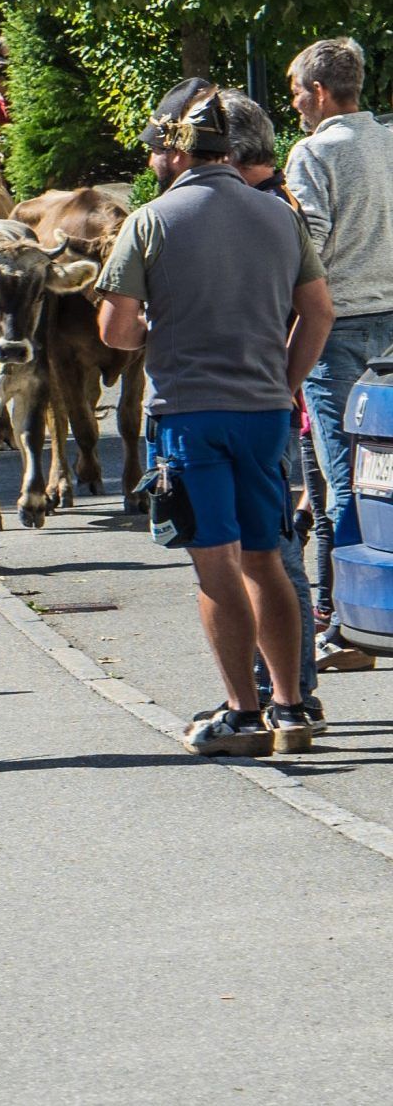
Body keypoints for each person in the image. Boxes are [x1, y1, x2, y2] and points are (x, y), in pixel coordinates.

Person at [96, 79, 334, 757]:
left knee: (216, 569)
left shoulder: (153, 220)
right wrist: (285, 382)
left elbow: (116, 331)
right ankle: (291, 708)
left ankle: (242, 713)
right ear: (233, 149)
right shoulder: (279, 214)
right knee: (269, 560)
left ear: (179, 150)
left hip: (190, 414)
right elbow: (319, 311)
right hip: (264, 412)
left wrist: (161, 329)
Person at [283, 39, 393, 644]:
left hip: (340, 326)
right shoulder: (390, 139)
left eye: (298, 90)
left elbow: (310, 245)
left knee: (344, 476)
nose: (296, 102)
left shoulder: (312, 153)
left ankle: (350, 621)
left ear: (320, 92)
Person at [221, 92, 323, 721]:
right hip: (272, 397)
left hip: (266, 402)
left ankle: (289, 691)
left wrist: (282, 383)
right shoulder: (275, 199)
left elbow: (308, 307)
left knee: (272, 551)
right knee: (266, 548)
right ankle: (278, 687)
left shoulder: (267, 208)